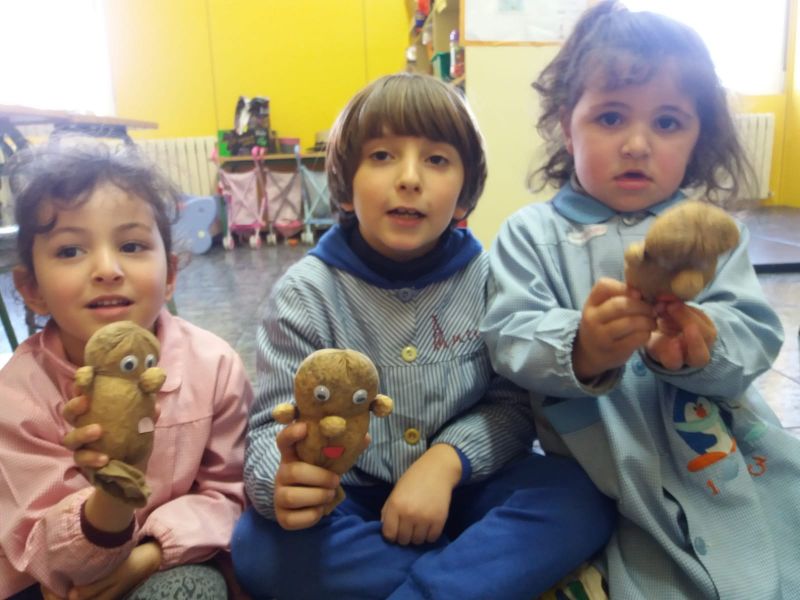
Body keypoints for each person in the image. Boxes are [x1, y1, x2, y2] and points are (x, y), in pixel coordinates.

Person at [231, 72, 615, 600]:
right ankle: (474, 577)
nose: (409, 178)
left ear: (463, 195)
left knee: (577, 497)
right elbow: (270, 428)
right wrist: (283, 483)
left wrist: (445, 461)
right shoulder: (304, 294)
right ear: (345, 185)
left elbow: (511, 407)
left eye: (436, 160)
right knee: (258, 546)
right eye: (382, 156)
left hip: (467, 487)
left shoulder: (490, 280)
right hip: (349, 499)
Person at [481, 2, 800, 598]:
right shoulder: (532, 233)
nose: (636, 144)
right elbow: (508, 334)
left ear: (698, 137)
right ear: (566, 125)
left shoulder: (709, 235)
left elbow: (755, 331)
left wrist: (702, 344)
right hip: (606, 465)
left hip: (728, 450)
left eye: (668, 122)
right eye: (610, 117)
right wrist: (582, 347)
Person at [0, 141, 253, 600]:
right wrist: (112, 494)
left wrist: (151, 554)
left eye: (132, 245)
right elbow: (47, 559)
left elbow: (230, 494)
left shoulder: (214, 367)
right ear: (31, 288)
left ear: (170, 273)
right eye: (70, 250)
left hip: (174, 558)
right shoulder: (17, 397)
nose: (107, 269)